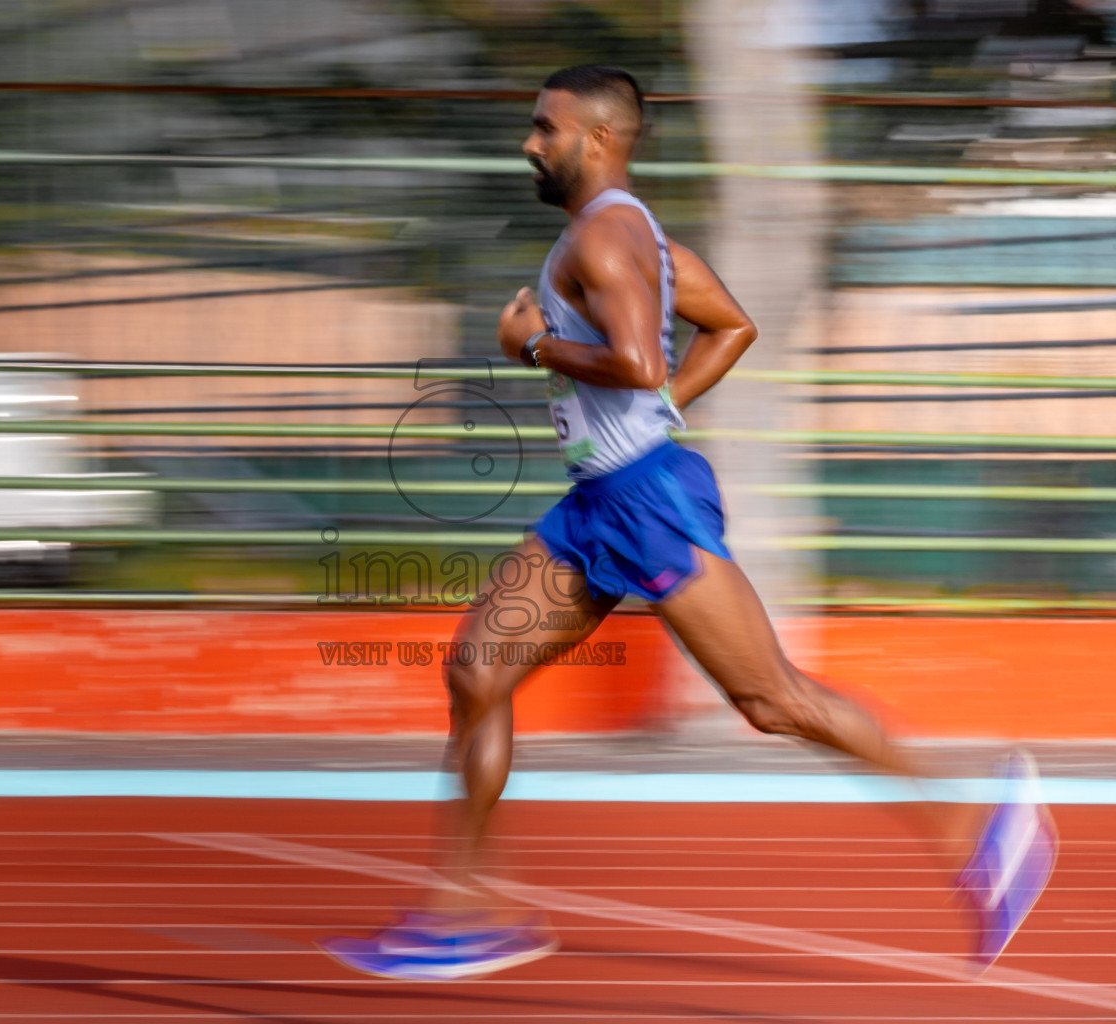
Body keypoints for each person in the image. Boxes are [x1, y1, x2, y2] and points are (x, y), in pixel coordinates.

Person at [320, 64, 1055, 981]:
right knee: (476, 671)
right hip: (599, 500)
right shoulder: (636, 238)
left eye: (545, 128)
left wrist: (533, 347)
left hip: (645, 501)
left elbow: (632, 361)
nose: (529, 144)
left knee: (770, 701)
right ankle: (469, 910)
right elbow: (730, 326)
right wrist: (663, 403)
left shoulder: (607, 239)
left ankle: (976, 829)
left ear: (596, 139)